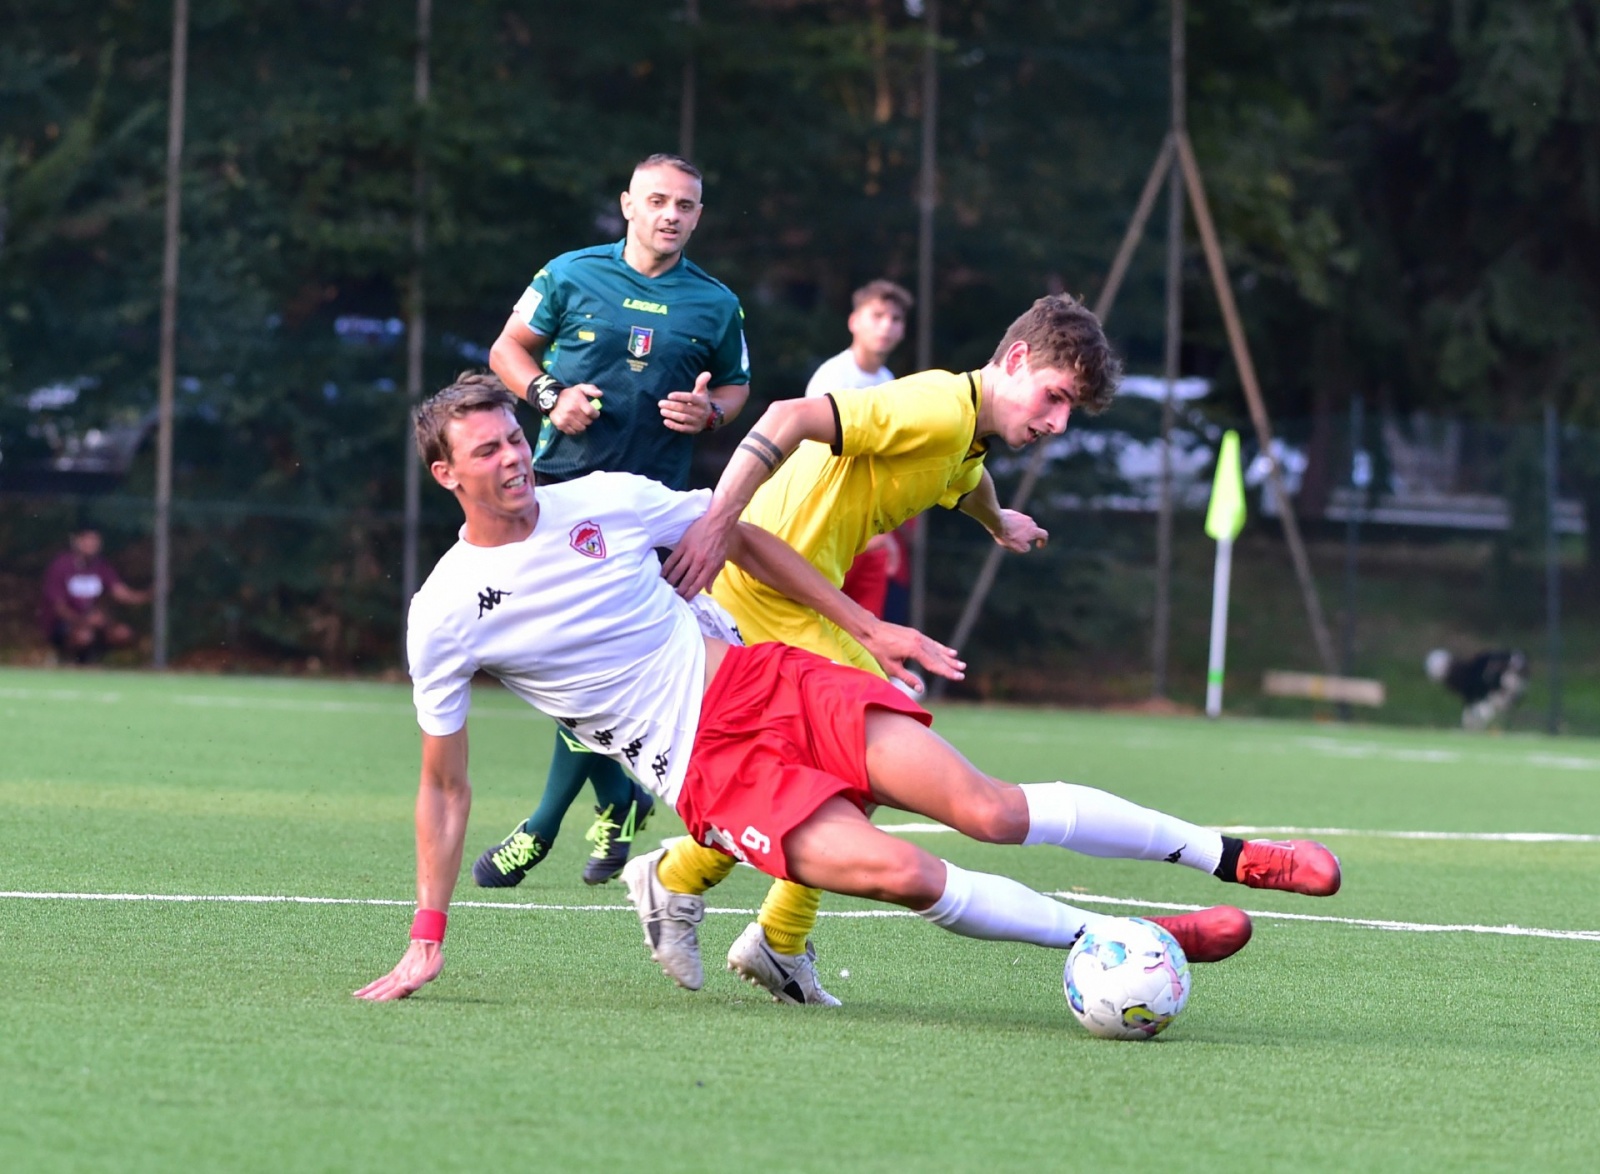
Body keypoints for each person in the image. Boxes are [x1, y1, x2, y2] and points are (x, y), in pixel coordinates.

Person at [354, 376, 1341, 1004]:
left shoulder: (604, 500)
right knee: (906, 874)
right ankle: (1116, 938)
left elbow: (735, 532)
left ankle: (1230, 853)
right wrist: (426, 934)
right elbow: (444, 787)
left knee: (988, 809)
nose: (513, 457)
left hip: (767, 678)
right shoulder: (445, 611)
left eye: (515, 439)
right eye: (486, 450)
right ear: (447, 474)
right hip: (708, 768)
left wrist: (868, 625)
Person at [642, 294, 1114, 1003]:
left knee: (842, 767)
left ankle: (755, 922)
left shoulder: (962, 433)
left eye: (1070, 410)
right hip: (767, 589)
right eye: (1055, 398)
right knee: (878, 741)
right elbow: (787, 416)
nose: (1056, 422)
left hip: (787, 593)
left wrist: (998, 522)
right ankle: (699, 892)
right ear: (1015, 361)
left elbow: (964, 477)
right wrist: (716, 523)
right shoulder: (939, 408)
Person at [473, 152, 751, 890]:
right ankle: (618, 803)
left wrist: (711, 412)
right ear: (628, 203)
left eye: (685, 205)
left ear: (697, 216)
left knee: (587, 664)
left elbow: (735, 385)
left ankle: (541, 827)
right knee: (562, 661)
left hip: (647, 514)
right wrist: (546, 396)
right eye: (657, 200)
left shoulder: (715, 303)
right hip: (558, 492)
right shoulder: (569, 272)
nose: (670, 214)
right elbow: (508, 349)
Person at [804, 279, 914, 623]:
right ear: (854, 321)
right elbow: (820, 461)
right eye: (877, 315)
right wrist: (872, 535)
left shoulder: (889, 381)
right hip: (828, 519)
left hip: (866, 522)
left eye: (895, 319)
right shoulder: (832, 379)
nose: (886, 325)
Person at [38, 528, 150, 663]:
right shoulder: (61, 565)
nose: (92, 544)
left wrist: (150, 594)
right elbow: (58, 607)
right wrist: (83, 620)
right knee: (84, 636)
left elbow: (121, 593)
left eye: (95, 541)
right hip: (65, 622)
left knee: (122, 633)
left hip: (94, 622)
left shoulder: (101, 565)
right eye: (88, 540)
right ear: (77, 541)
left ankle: (95, 660)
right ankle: (65, 659)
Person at [1425, 648, 1529, 730]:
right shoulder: (1468, 677)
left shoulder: (1481, 663)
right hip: (1492, 698)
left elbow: (1513, 661)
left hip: (1502, 693)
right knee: (1472, 718)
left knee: (1482, 713)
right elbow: (1473, 695)